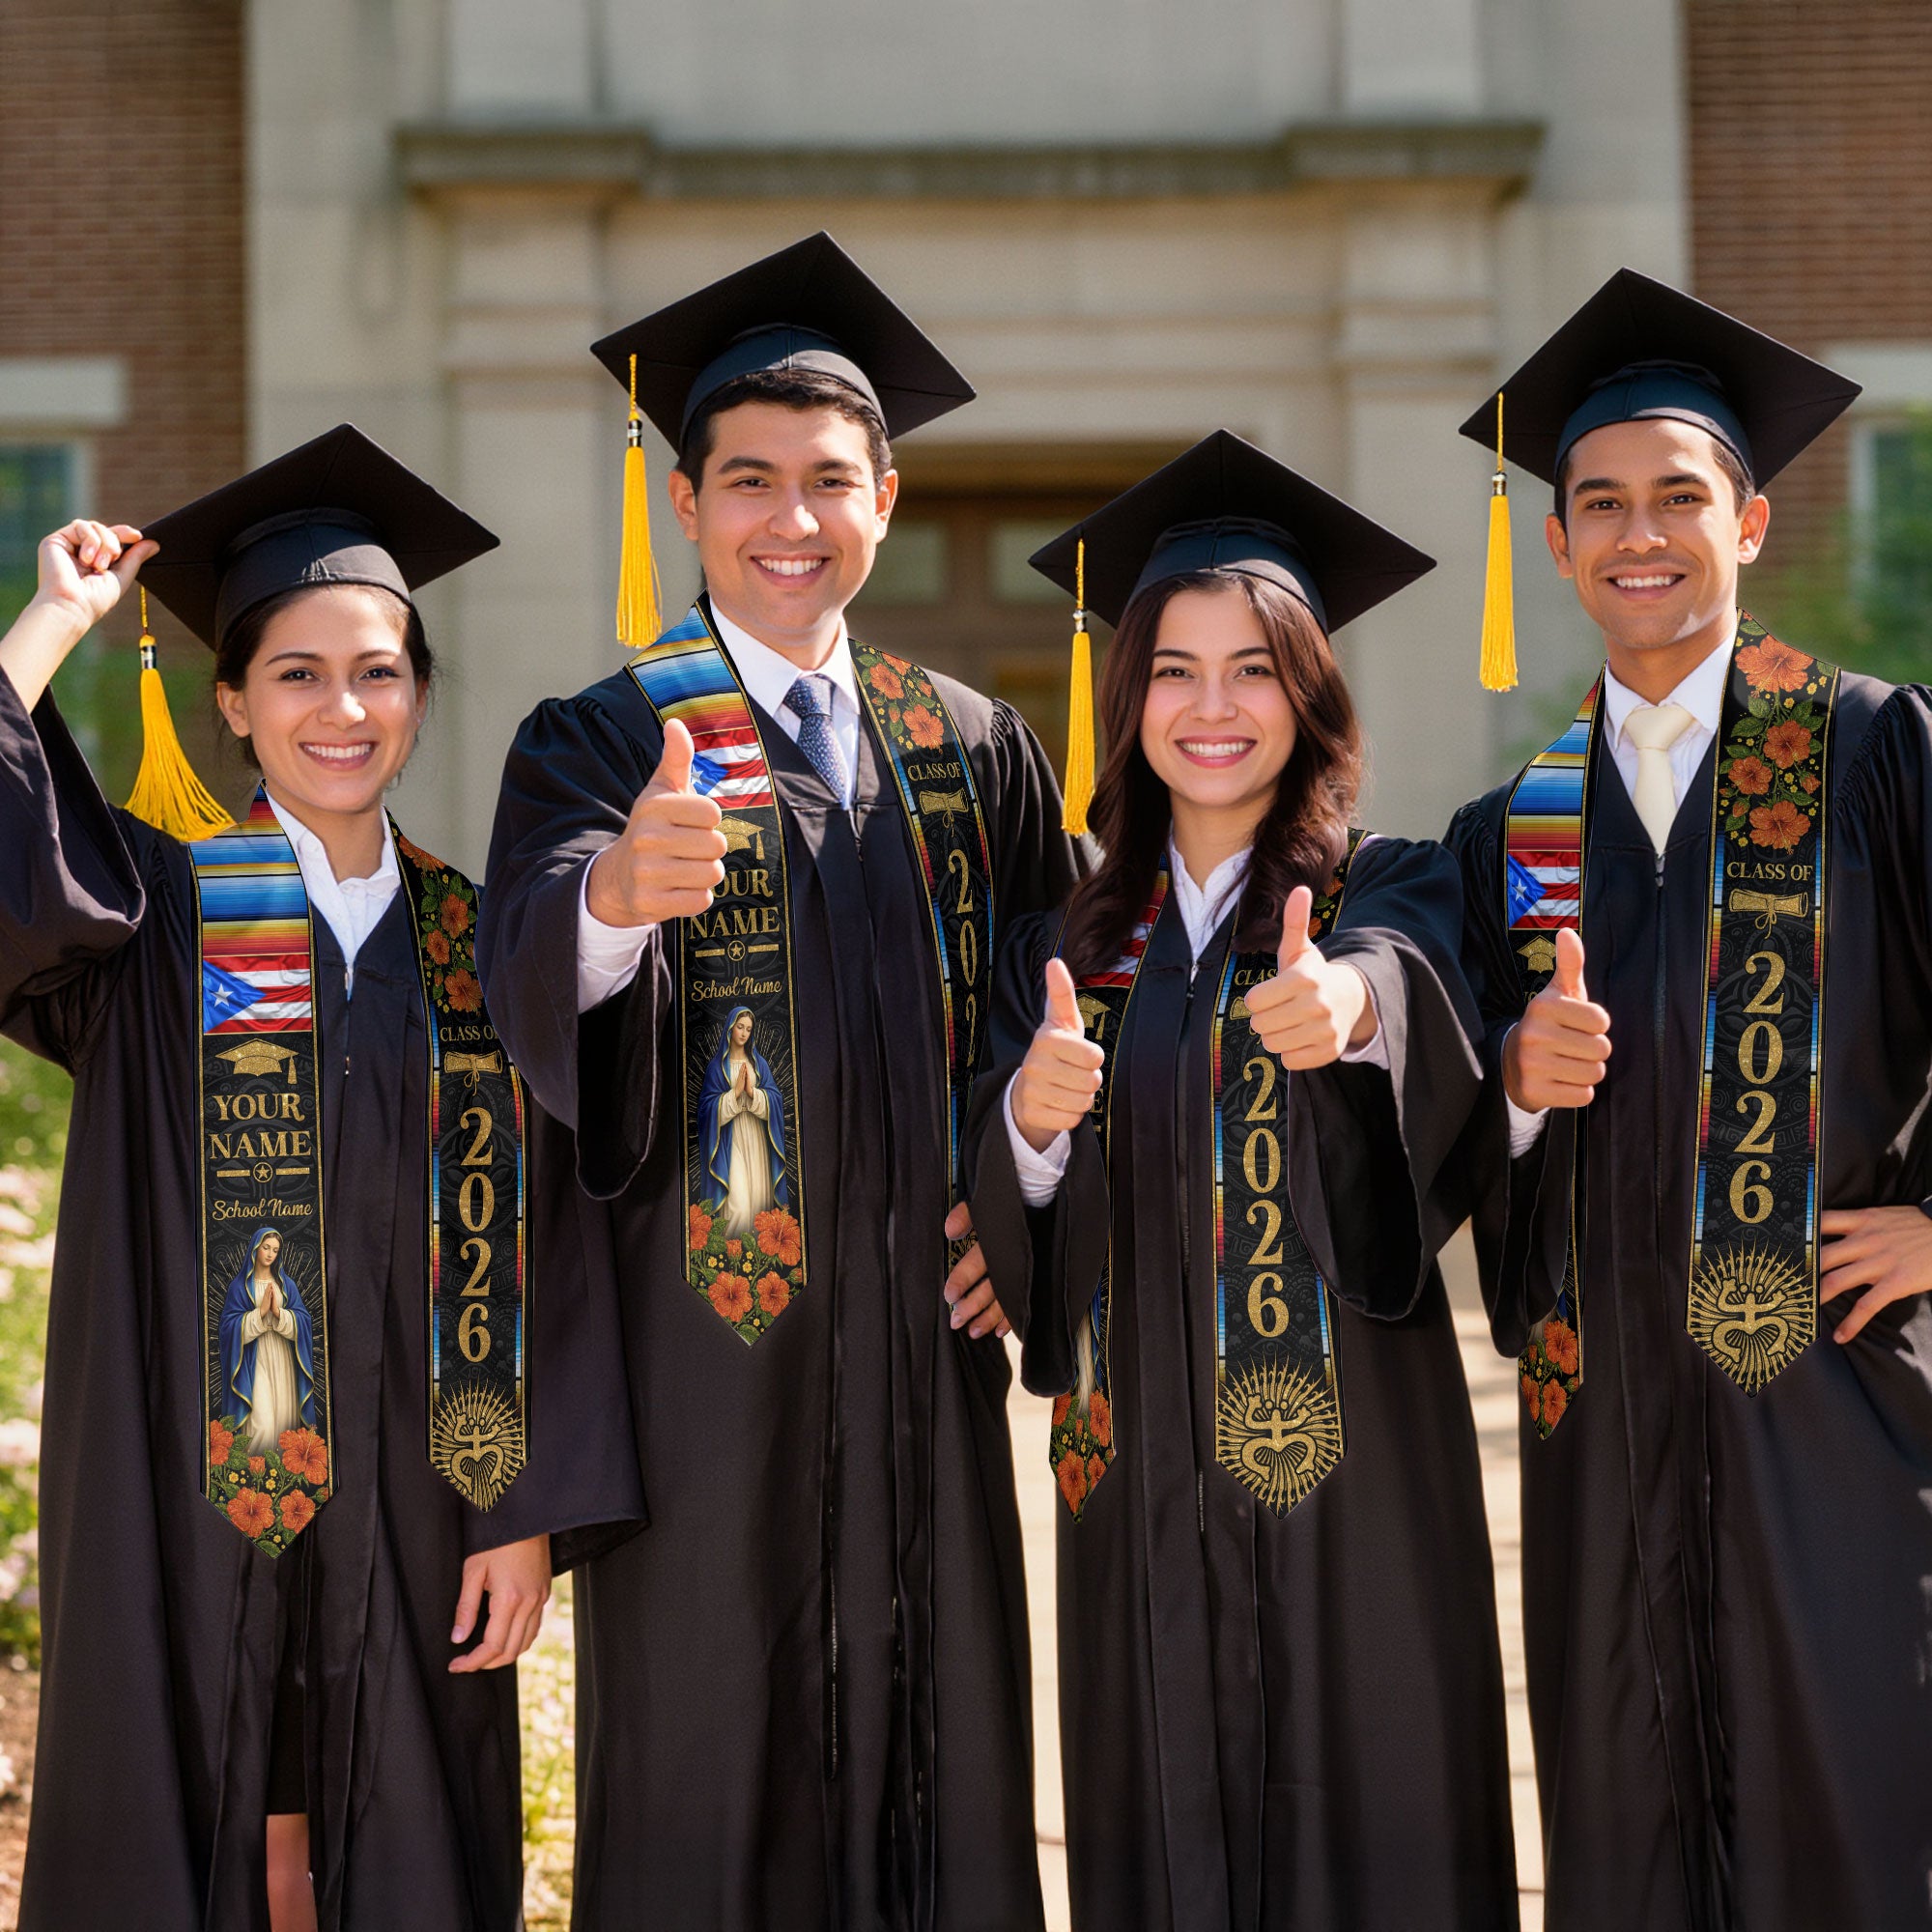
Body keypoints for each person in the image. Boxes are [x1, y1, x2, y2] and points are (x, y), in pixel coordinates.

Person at [477, 233, 1083, 1930]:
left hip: (921, 1358)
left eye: (830, 480)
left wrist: (1023, 1202)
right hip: (705, 1372)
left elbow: (1073, 1003)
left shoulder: (968, 743)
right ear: (686, 503)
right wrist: (611, 900)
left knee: (941, 1766)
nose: (790, 519)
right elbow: (524, 963)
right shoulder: (602, 738)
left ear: (885, 496)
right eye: (749, 481)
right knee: (709, 1784)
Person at [0, 425, 641, 1931]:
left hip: (426, 1500)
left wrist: (524, 1506)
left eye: (378, 671)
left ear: (419, 694)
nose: (341, 708)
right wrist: (51, 624)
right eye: (295, 673)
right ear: (231, 701)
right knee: (195, 1808)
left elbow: (554, 1238)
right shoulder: (157, 916)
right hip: (183, 1489)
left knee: (407, 1833)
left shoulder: (483, 944)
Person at [965, 432, 1518, 1931]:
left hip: (1357, 1483)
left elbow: (1412, 988)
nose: (1214, 709)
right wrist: (1025, 1118)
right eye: (1175, 670)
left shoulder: (1387, 885)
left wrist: (1349, 1012)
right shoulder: (1067, 946)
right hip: (1134, 1473)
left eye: (1256, 668)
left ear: (1311, 693)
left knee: (1376, 1825)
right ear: (1127, 696)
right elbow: (1016, 1212)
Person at [1446, 270, 1932, 1931]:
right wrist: (1511, 1087)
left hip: (1838, 1405)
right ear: (1562, 542)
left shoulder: (1870, 752)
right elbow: (1445, 1126)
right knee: (1627, 1825)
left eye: (1678, 498)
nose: (1637, 534)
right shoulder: (1515, 829)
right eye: (1599, 505)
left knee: (1857, 1810)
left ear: (1751, 522)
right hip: (1606, 1431)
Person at [221, 1226, 320, 1457]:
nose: (270, 1254)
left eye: (275, 1250)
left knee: (284, 1420)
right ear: (255, 1249)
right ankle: (253, 1473)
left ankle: (278, 1481)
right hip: (254, 1360)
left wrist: (278, 1313)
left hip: (283, 1356)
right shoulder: (239, 1287)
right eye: (266, 1248)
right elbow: (227, 1328)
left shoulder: (286, 1286)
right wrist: (259, 1313)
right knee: (262, 1423)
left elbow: (304, 1322)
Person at [697, 1005, 789, 1236]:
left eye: (748, 1029)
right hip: (730, 1139)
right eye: (740, 1027)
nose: (744, 1033)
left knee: (758, 1199)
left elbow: (776, 1101)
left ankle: (755, 1260)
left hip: (757, 1137)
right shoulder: (716, 1068)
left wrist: (753, 1092)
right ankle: (731, 1255)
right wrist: (735, 1093)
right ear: (730, 1028)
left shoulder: (759, 1065)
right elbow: (706, 1110)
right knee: (738, 1204)